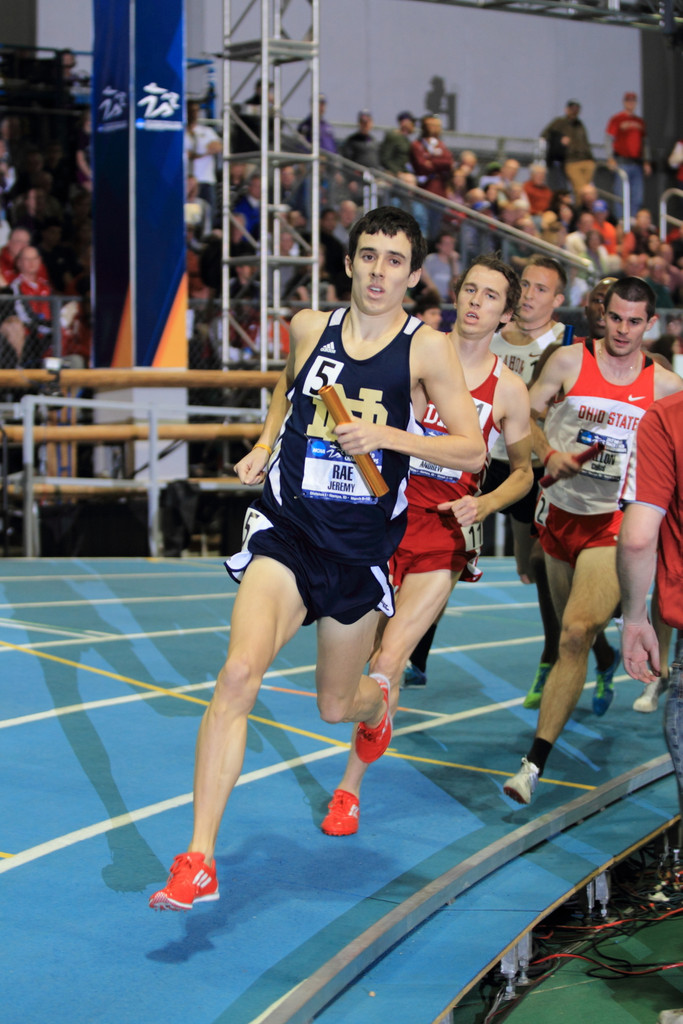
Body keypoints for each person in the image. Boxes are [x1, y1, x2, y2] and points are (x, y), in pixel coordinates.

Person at [149, 206, 486, 910]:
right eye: (368, 255)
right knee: (238, 673)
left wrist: (390, 437)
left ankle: (377, 708)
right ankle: (199, 859)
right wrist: (265, 442)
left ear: (414, 276)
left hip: (358, 552)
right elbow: (286, 387)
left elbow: (470, 449)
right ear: (348, 262)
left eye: (394, 260)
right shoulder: (310, 327)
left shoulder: (425, 350)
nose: (377, 270)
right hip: (288, 529)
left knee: (337, 704)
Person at [320, 253, 532, 835]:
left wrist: (485, 503)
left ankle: (347, 791)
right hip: (386, 514)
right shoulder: (416, 354)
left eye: (490, 296)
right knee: (363, 658)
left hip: (443, 530)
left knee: (390, 660)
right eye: (469, 289)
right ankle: (375, 726)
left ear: (506, 315)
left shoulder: (509, 390)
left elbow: (523, 472)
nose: (474, 302)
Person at [504, 277, 683, 805]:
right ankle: (606, 660)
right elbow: (526, 416)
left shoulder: (667, 387)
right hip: (559, 516)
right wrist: (544, 451)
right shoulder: (567, 362)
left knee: (575, 632)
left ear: (650, 323)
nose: (623, 330)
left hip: (615, 522)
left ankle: (532, 766)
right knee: (572, 634)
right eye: (616, 318)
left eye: (635, 321)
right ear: (603, 315)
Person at [606, 92, 651, 223]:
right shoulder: (617, 119)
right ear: (624, 102)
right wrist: (610, 157)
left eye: (633, 101)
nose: (631, 103)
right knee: (620, 192)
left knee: (637, 195)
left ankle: (633, 218)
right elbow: (609, 139)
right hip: (622, 161)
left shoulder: (640, 122)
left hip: (637, 162)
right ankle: (621, 219)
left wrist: (647, 161)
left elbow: (645, 143)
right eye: (628, 101)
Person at [540, 100, 595, 200]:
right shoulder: (559, 122)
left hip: (586, 159)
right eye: (572, 109)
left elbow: (585, 141)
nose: (574, 112)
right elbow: (545, 135)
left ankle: (585, 210)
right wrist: (559, 139)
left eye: (576, 110)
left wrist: (591, 158)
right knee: (581, 189)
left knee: (589, 190)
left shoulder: (580, 124)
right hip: (571, 160)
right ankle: (580, 211)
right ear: (567, 110)